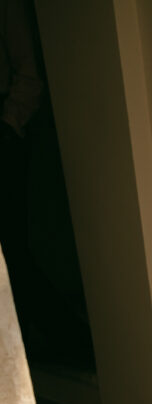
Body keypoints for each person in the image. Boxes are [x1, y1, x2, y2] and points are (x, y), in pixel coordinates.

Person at [0, 0, 42, 339]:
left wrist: (10, 121)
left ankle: (32, 329)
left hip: (7, 124)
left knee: (14, 240)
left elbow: (29, 71)